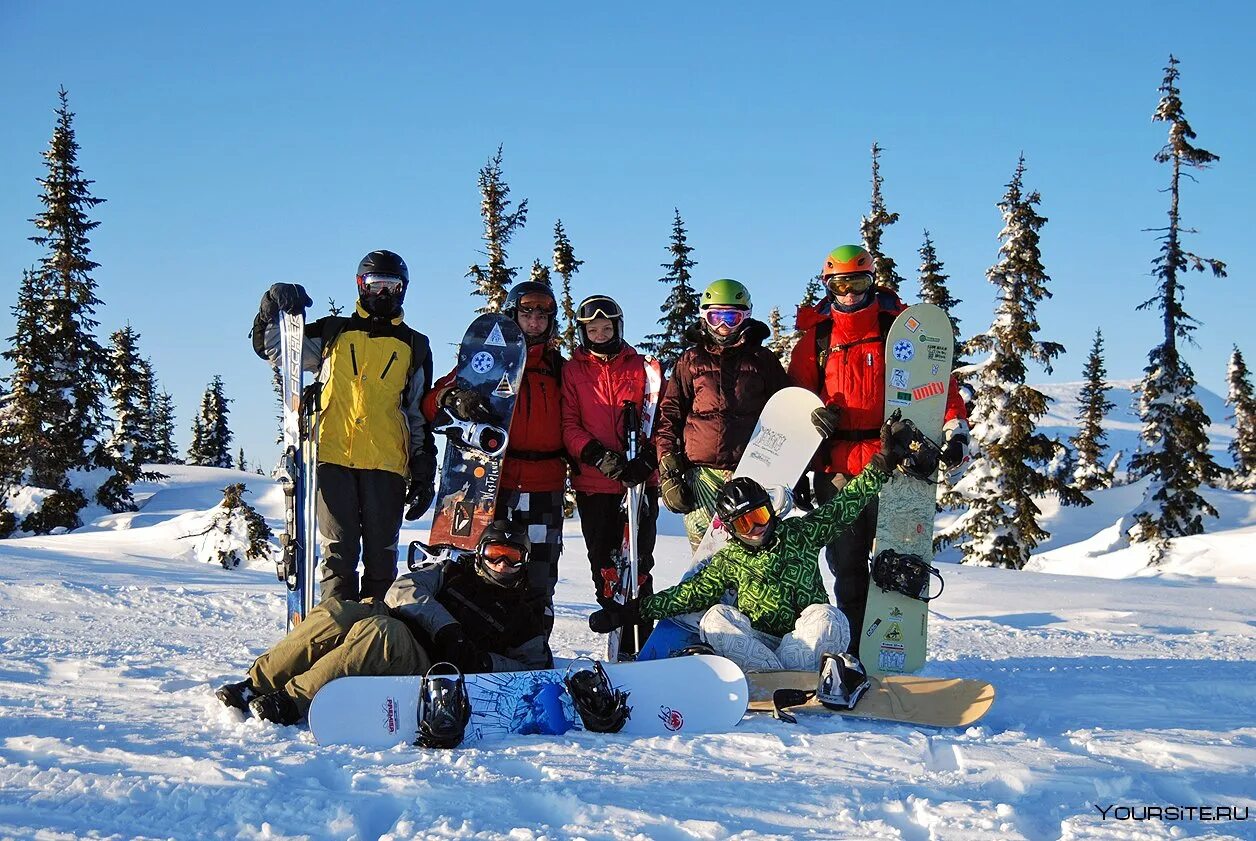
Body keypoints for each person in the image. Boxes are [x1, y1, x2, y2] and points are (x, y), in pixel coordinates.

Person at [589, 416, 931, 673]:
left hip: (804, 642)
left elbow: (847, 503)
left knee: (829, 617)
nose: (757, 529)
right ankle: (774, 677)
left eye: (761, 516)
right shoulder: (729, 561)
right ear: (732, 530)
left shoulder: (800, 533)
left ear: (772, 511)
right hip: (759, 645)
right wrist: (627, 613)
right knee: (714, 619)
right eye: (744, 524)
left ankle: (789, 674)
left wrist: (883, 461)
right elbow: (685, 597)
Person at [788, 244, 970, 649]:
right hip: (837, 470)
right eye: (841, 284)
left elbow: (937, 387)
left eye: (859, 282)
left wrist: (955, 429)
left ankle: (893, 645)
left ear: (873, 281)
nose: (850, 293)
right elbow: (795, 401)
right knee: (848, 565)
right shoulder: (815, 341)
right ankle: (854, 650)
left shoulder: (896, 331)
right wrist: (799, 461)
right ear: (828, 287)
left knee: (898, 560)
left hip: (896, 463)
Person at [215, 521, 547, 724]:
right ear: (480, 553)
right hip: (415, 626)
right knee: (339, 612)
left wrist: (483, 661)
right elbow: (404, 589)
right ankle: (255, 684)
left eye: (512, 556)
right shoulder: (451, 573)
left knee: (378, 634)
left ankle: (290, 702)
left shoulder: (525, 615)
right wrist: (447, 628)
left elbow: (536, 670)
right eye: (495, 553)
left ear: (524, 561)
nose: (502, 564)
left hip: (431, 666)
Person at [250, 250, 437, 603]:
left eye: (391, 286)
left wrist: (423, 468)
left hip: (386, 466)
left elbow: (416, 412)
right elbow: (275, 348)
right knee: (339, 555)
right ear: (360, 286)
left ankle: (375, 636)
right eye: (374, 285)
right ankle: (336, 632)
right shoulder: (334, 332)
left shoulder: (414, 345)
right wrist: (270, 305)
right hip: (333, 458)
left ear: (403, 290)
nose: (382, 294)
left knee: (382, 559)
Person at [423, 281, 567, 652]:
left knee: (537, 576)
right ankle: (467, 648)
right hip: (491, 486)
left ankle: (531, 653)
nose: (534, 322)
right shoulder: (485, 365)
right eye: (526, 314)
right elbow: (432, 405)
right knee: (481, 570)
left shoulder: (560, 371)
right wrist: (452, 398)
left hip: (544, 487)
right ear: (512, 316)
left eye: (541, 316)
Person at [654, 279, 792, 550]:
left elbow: (786, 411)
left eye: (732, 317)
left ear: (746, 318)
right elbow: (669, 415)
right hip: (702, 476)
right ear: (704, 317)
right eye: (716, 317)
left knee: (750, 554)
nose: (723, 326)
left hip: (751, 473)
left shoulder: (762, 360)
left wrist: (790, 470)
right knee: (706, 558)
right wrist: (669, 471)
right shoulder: (691, 360)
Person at [560, 294, 660, 656]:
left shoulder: (644, 367)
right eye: (593, 329)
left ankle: (642, 641)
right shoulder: (573, 371)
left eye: (607, 328)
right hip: (595, 483)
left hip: (639, 483)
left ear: (618, 327)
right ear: (584, 332)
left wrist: (649, 458)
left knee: (639, 563)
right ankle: (617, 634)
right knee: (604, 563)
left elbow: (659, 419)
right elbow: (569, 424)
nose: (600, 334)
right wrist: (595, 454)